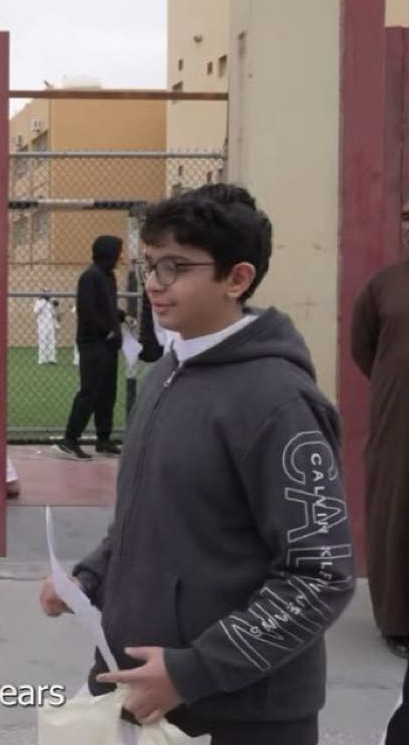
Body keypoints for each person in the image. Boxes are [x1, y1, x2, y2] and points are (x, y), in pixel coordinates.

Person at [39, 184, 355, 745]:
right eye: (149, 263)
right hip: (141, 692)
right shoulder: (168, 372)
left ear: (237, 278)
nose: (153, 283)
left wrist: (192, 672)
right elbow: (148, 515)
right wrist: (89, 578)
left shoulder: (280, 403)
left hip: (244, 715)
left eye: (175, 266)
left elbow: (319, 576)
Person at [349, 207, 409, 659]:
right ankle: (398, 621)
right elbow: (363, 348)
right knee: (396, 509)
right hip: (399, 417)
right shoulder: (384, 285)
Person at [55, 235, 124, 460]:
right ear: (108, 253)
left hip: (109, 343)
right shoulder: (90, 276)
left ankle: (104, 438)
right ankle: (70, 439)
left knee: (107, 392)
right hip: (93, 342)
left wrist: (122, 317)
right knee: (90, 391)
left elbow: (107, 307)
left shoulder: (108, 276)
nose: (120, 256)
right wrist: (107, 330)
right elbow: (88, 311)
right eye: (117, 251)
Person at [33, 291, 59, 365]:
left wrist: (53, 304)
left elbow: (54, 312)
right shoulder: (38, 302)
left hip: (50, 325)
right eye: (46, 293)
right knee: (42, 342)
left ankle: (51, 359)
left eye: (48, 293)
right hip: (42, 326)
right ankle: (42, 360)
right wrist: (44, 302)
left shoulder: (50, 302)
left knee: (52, 342)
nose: (47, 295)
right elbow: (35, 311)